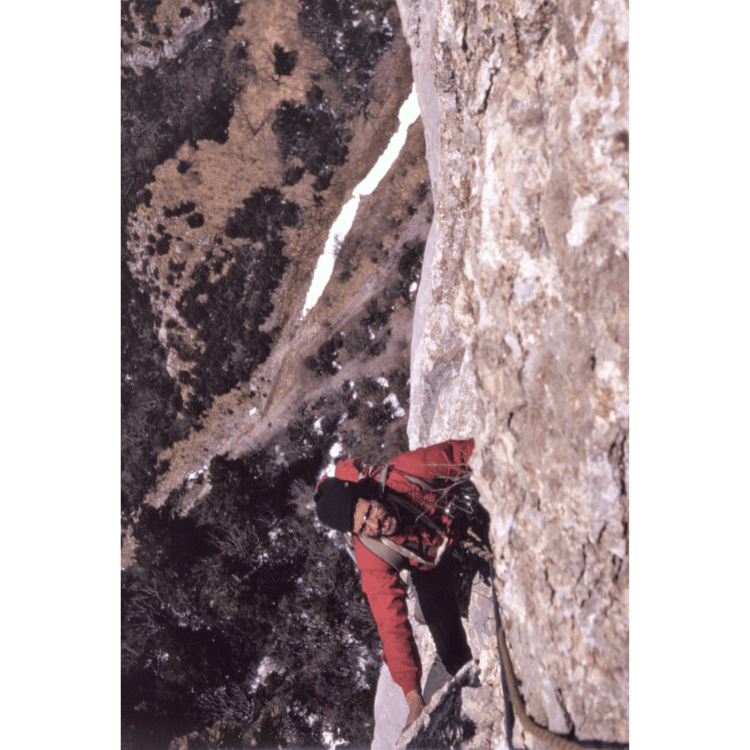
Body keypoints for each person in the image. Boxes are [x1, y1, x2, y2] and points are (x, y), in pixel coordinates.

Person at [314, 439, 476, 731]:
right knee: (447, 640)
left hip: (464, 518)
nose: (374, 525)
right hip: (430, 564)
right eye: (362, 528)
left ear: (368, 494)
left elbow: (459, 454)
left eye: (368, 513)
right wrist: (413, 697)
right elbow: (390, 623)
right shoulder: (372, 554)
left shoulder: (406, 473)